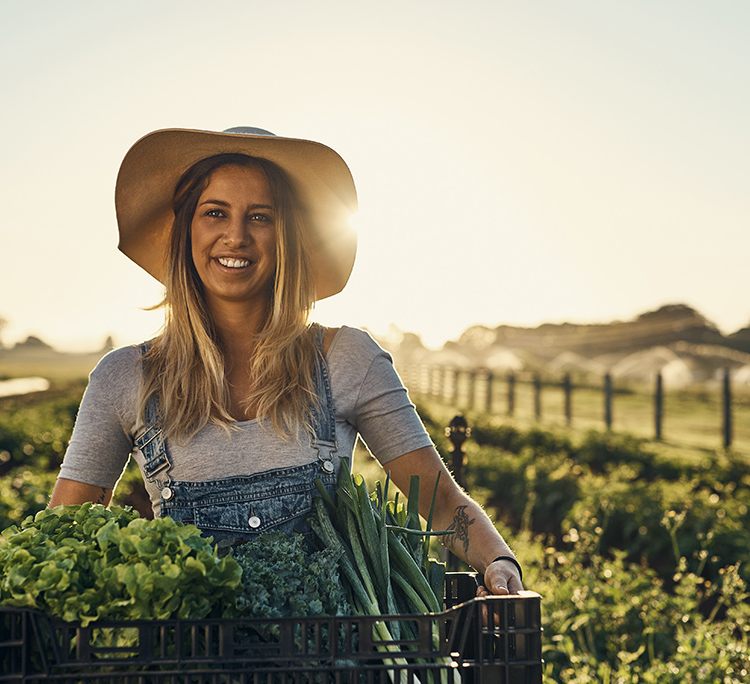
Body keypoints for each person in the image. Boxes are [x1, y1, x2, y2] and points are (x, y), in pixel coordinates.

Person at [50, 126, 523, 596]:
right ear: (186, 229)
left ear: (287, 236)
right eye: (215, 213)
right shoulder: (125, 379)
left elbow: (440, 502)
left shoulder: (347, 360)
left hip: (331, 660)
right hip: (192, 663)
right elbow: (64, 534)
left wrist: (499, 560)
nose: (235, 236)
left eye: (260, 217)